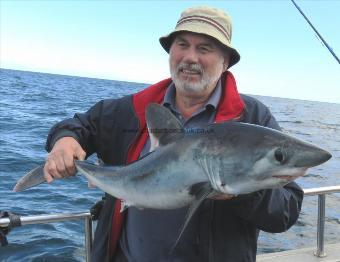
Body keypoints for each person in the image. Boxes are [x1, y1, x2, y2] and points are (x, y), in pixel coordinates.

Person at [43, 6, 304, 262]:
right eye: (182, 45)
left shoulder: (252, 119)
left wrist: (241, 192)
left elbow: (285, 211)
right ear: (170, 53)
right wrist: (65, 140)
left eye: (204, 48)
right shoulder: (133, 109)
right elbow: (82, 124)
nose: (190, 57)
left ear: (225, 62)